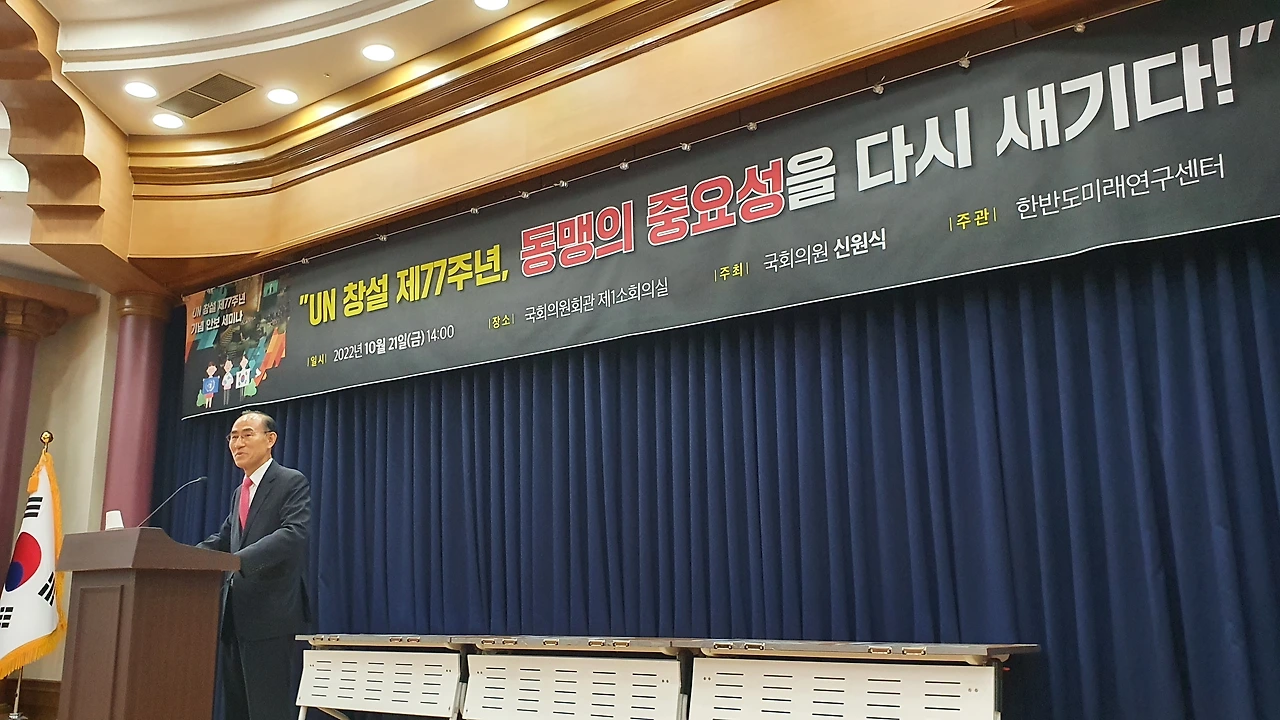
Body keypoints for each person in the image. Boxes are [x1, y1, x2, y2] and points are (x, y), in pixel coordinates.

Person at [199, 409, 311, 720]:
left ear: (270, 439)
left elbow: (293, 533)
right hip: (234, 617)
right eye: (233, 437)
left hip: (270, 616)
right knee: (237, 710)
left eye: (247, 435)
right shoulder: (240, 492)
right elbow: (225, 538)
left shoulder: (290, 481)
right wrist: (184, 557)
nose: (238, 443)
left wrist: (240, 560)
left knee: (267, 709)